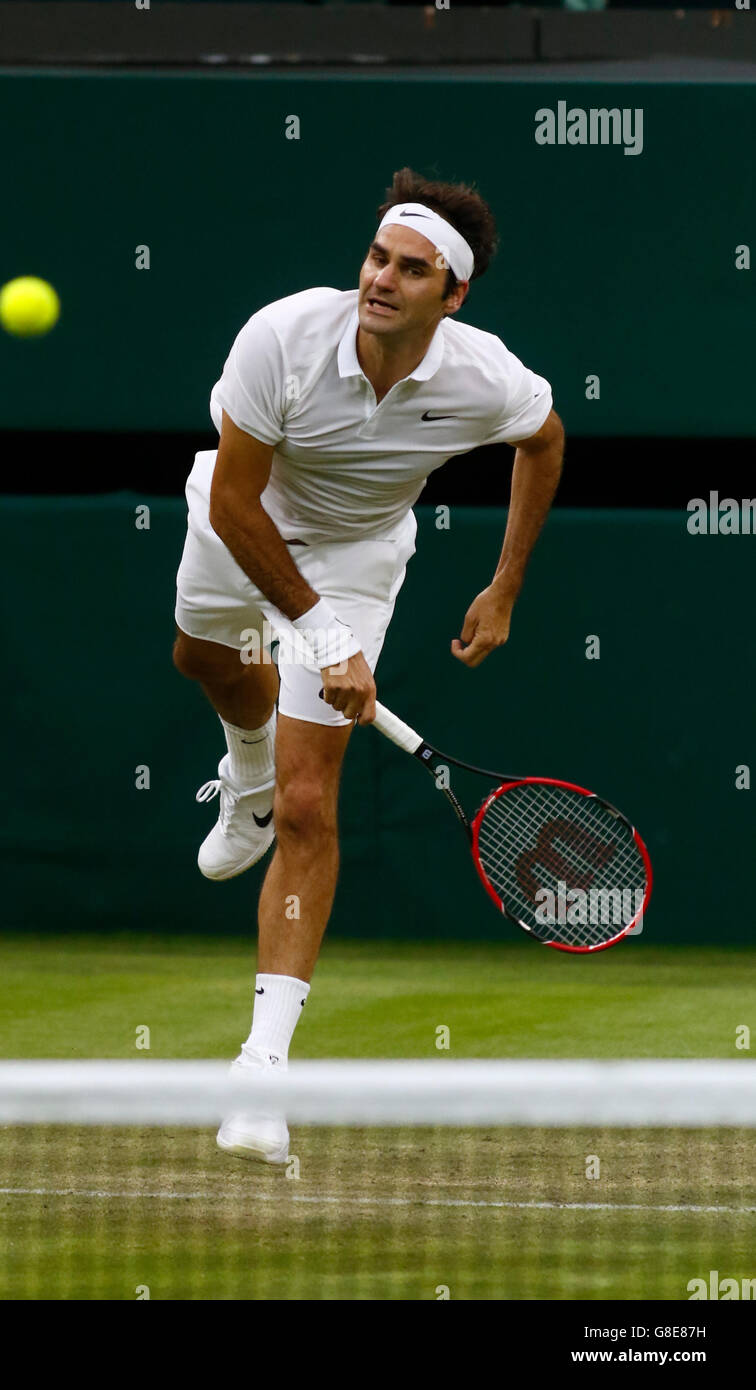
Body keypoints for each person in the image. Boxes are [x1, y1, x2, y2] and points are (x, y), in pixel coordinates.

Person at [173, 167, 565, 1163]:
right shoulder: (282, 337)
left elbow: (544, 439)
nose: (382, 279)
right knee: (203, 659)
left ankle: (260, 1073)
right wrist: (314, 640)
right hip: (242, 522)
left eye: (411, 268)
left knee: (313, 806)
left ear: (453, 292)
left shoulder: (486, 377)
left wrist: (506, 584)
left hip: (355, 561)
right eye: (377, 256)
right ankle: (244, 772)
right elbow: (235, 503)